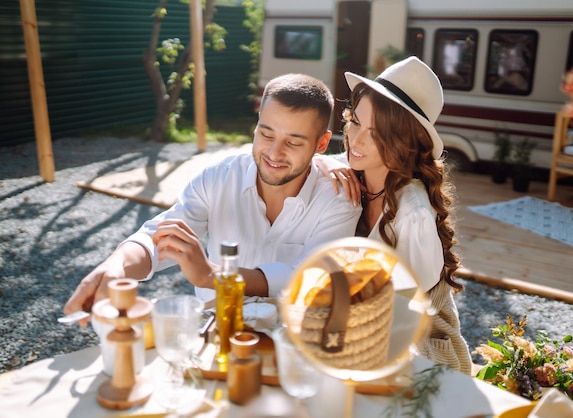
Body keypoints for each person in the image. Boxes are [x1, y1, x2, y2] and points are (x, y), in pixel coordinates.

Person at [64, 73, 361, 321]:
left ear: (322, 143)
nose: (273, 153)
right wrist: (116, 266)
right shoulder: (218, 178)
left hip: (293, 344)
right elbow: (162, 232)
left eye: (293, 142)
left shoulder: (339, 196)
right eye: (266, 135)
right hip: (213, 333)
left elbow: (312, 278)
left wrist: (213, 276)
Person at [316, 56, 473, 374]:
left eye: (376, 133)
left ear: (405, 144)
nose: (356, 140)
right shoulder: (355, 170)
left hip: (417, 347)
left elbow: (407, 318)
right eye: (355, 121)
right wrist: (325, 166)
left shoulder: (412, 213)